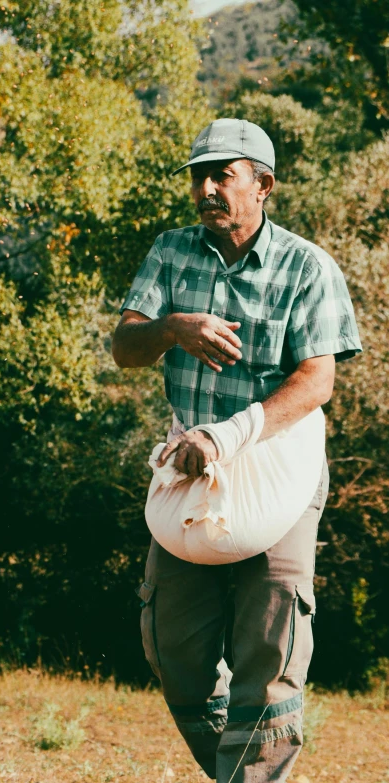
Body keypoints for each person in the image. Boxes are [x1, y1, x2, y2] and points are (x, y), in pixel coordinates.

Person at [111, 118, 362, 783]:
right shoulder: (171, 253)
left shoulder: (307, 265)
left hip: (281, 466)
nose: (206, 187)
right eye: (199, 174)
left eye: (223, 174)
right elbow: (124, 346)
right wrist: (172, 327)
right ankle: (238, 771)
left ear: (264, 184)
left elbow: (318, 378)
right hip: (190, 466)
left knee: (270, 646)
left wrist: (231, 434)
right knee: (175, 644)